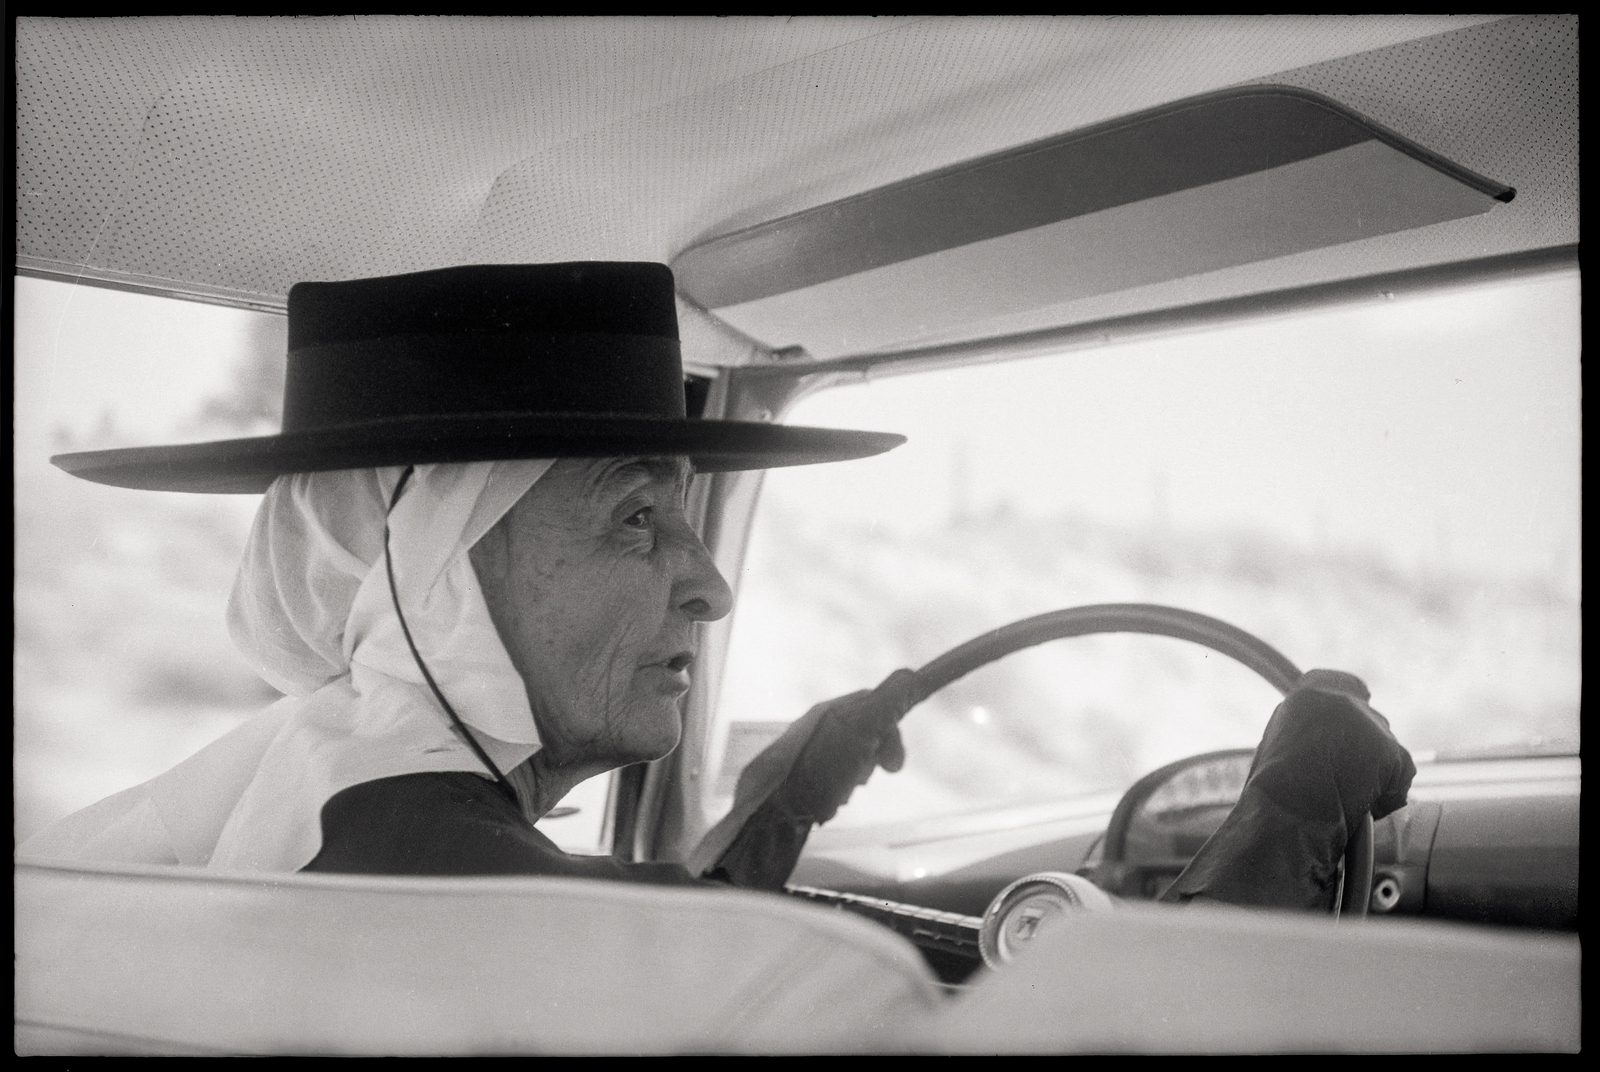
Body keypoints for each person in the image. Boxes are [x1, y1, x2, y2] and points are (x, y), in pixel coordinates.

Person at [20, 262, 1414, 908]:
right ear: (431, 568)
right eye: (640, 520)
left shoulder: (310, 812)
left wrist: (779, 803)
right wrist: (1291, 812)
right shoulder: (506, 922)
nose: (711, 589)